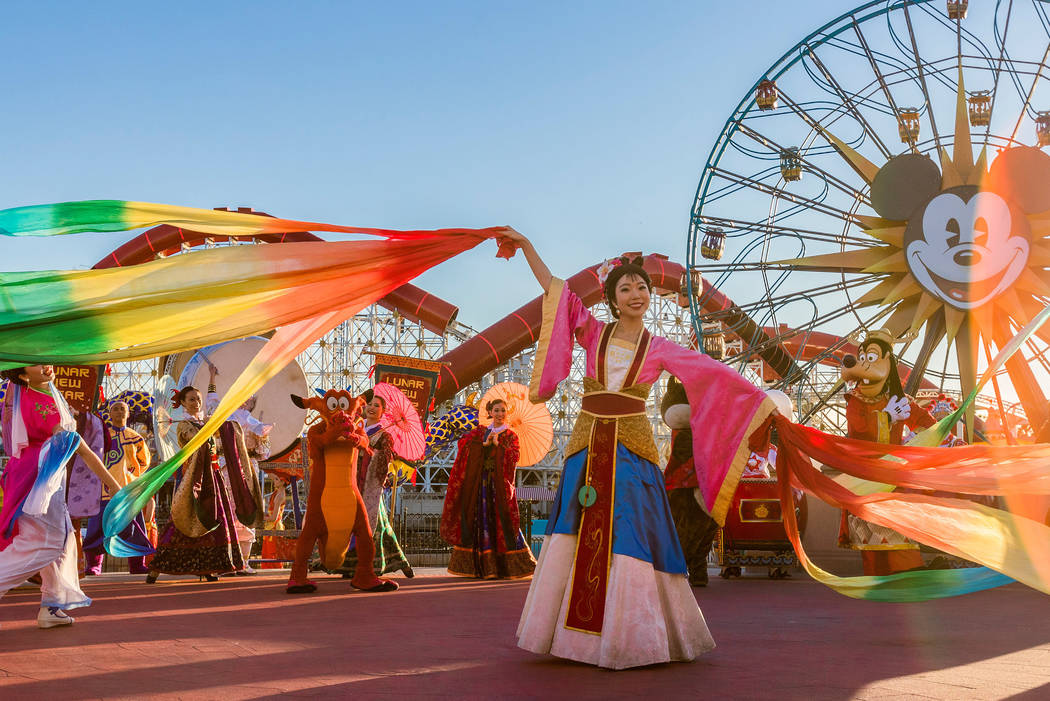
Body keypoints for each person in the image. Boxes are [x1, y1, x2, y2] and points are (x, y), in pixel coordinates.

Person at [505, 230, 773, 670]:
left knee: (632, 531)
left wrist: (760, 402)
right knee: (576, 527)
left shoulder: (660, 348)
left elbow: (714, 376)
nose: (636, 293)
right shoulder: (593, 334)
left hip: (631, 449)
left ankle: (632, 636)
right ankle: (575, 638)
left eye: (642, 287)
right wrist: (527, 246)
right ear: (610, 299)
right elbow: (555, 288)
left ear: (650, 295)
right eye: (625, 288)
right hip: (588, 445)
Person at [0, 365, 122, 628]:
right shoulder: (45, 404)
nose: (46, 366)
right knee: (47, 543)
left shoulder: (36, 395)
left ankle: (51, 606)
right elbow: (82, 447)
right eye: (35, 364)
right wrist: (112, 484)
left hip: (30, 474)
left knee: (62, 541)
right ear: (23, 375)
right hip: (40, 479)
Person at [145, 383, 262, 583]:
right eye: (191, 399)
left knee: (215, 520)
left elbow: (225, 433)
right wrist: (211, 425)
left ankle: (209, 567)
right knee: (183, 520)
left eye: (198, 399)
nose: (196, 402)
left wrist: (226, 426)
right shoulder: (184, 425)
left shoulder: (205, 423)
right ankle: (156, 568)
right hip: (193, 479)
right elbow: (195, 440)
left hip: (213, 477)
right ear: (183, 403)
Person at [440, 397, 536, 580]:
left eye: (503, 411)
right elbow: (464, 446)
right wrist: (481, 446)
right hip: (481, 484)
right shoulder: (479, 433)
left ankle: (510, 567)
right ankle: (479, 567)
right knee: (479, 520)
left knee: (503, 520)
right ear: (490, 412)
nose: (500, 414)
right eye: (496, 410)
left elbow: (514, 457)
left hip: (499, 486)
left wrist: (500, 447)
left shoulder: (510, 435)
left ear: (507, 413)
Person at [334, 389, 413, 578]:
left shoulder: (384, 435)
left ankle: (374, 564)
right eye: (369, 404)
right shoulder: (355, 428)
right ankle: (349, 565)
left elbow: (387, 456)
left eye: (376, 405)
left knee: (374, 524)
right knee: (354, 523)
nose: (371, 408)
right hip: (351, 481)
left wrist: (368, 450)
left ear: (382, 412)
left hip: (370, 485)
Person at [82, 401, 155, 575]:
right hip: (103, 490)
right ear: (109, 413)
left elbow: (145, 461)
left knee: (133, 528)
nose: (119, 411)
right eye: (115, 408)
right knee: (97, 528)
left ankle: (137, 564)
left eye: (123, 409)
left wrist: (132, 474)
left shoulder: (136, 437)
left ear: (128, 414)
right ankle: (94, 565)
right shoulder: (101, 435)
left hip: (128, 491)